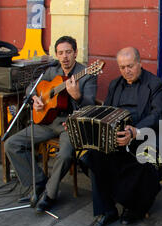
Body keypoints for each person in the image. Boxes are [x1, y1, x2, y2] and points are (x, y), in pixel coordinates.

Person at [84, 47, 162, 226]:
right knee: (93, 155)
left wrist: (135, 131)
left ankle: (135, 205)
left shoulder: (155, 84)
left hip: (145, 137)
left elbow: (160, 114)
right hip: (118, 137)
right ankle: (106, 211)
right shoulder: (115, 84)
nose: (126, 71)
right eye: (122, 67)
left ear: (140, 63)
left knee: (141, 161)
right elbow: (106, 111)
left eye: (130, 66)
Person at [5, 35, 97, 212]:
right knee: (11, 144)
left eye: (68, 52)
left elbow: (91, 107)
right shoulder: (51, 71)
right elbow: (31, 87)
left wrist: (77, 96)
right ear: (56, 54)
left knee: (64, 155)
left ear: (76, 53)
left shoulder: (87, 74)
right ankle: (37, 183)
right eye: (61, 53)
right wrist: (34, 98)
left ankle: (49, 194)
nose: (65, 57)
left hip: (70, 125)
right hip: (47, 121)